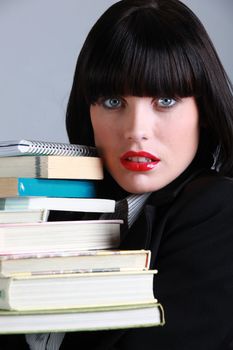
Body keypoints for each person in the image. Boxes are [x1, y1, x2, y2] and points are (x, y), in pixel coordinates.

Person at [1, 0, 233, 349]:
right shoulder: (56, 207)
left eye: (166, 100)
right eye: (112, 101)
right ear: (88, 110)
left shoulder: (218, 210)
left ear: (203, 110)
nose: (136, 130)